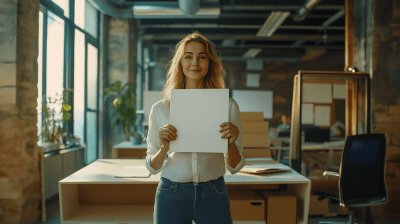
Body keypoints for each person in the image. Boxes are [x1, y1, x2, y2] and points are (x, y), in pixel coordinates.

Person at [145, 31, 245, 224]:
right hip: (171, 194)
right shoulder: (160, 108)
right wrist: (165, 146)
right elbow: (152, 167)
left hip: (214, 193)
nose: (195, 63)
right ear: (180, 64)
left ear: (210, 64)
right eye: (188, 57)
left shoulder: (228, 106)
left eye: (202, 57)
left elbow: (235, 167)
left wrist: (231, 144)